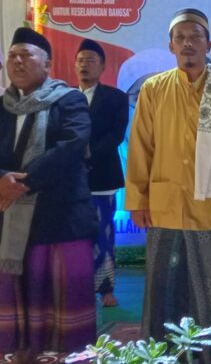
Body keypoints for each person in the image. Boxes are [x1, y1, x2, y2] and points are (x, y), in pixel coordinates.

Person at [126, 8, 211, 361]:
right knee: (163, 285)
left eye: (195, 36)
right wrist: (138, 199)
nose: (187, 43)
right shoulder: (153, 89)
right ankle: (161, 352)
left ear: (208, 44)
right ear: (170, 45)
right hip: (164, 203)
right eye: (180, 37)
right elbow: (141, 146)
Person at [0, 28, 96, 362]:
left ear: (47, 64)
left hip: (61, 218)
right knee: (18, 299)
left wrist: (19, 184)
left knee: (63, 305)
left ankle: (64, 354)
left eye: (26, 54)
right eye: (12, 55)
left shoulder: (69, 100)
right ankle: (22, 352)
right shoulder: (2, 106)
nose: (17, 61)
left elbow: (72, 146)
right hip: (12, 221)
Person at [75, 39, 129, 308]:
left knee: (104, 234)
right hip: (72, 180)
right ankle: (78, 286)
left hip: (103, 177)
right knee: (75, 236)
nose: (85, 65)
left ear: (103, 66)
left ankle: (106, 288)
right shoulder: (65, 97)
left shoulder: (116, 97)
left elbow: (116, 135)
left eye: (91, 60)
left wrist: (87, 154)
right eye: (81, 60)